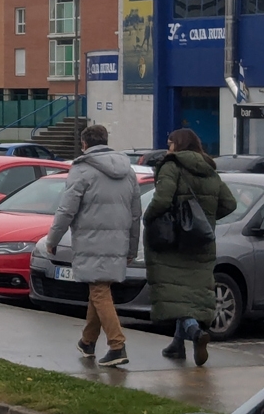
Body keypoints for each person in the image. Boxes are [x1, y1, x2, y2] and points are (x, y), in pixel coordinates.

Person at [44, 124, 142, 367]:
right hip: (117, 241)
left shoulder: (82, 170)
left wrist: (52, 240)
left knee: (99, 290)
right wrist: (131, 248)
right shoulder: (128, 171)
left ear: (84, 144)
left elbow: (66, 209)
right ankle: (87, 341)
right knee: (98, 290)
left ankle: (117, 345)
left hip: (91, 241)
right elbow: (135, 214)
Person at [143, 128, 234, 366]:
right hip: (201, 240)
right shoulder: (209, 170)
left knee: (174, 293)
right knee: (190, 293)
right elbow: (230, 203)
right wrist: (204, 218)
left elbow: (162, 199)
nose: (167, 147)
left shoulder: (171, 166)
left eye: (170, 143)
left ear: (178, 145)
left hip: (174, 242)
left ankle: (194, 332)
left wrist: (148, 217)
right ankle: (177, 345)